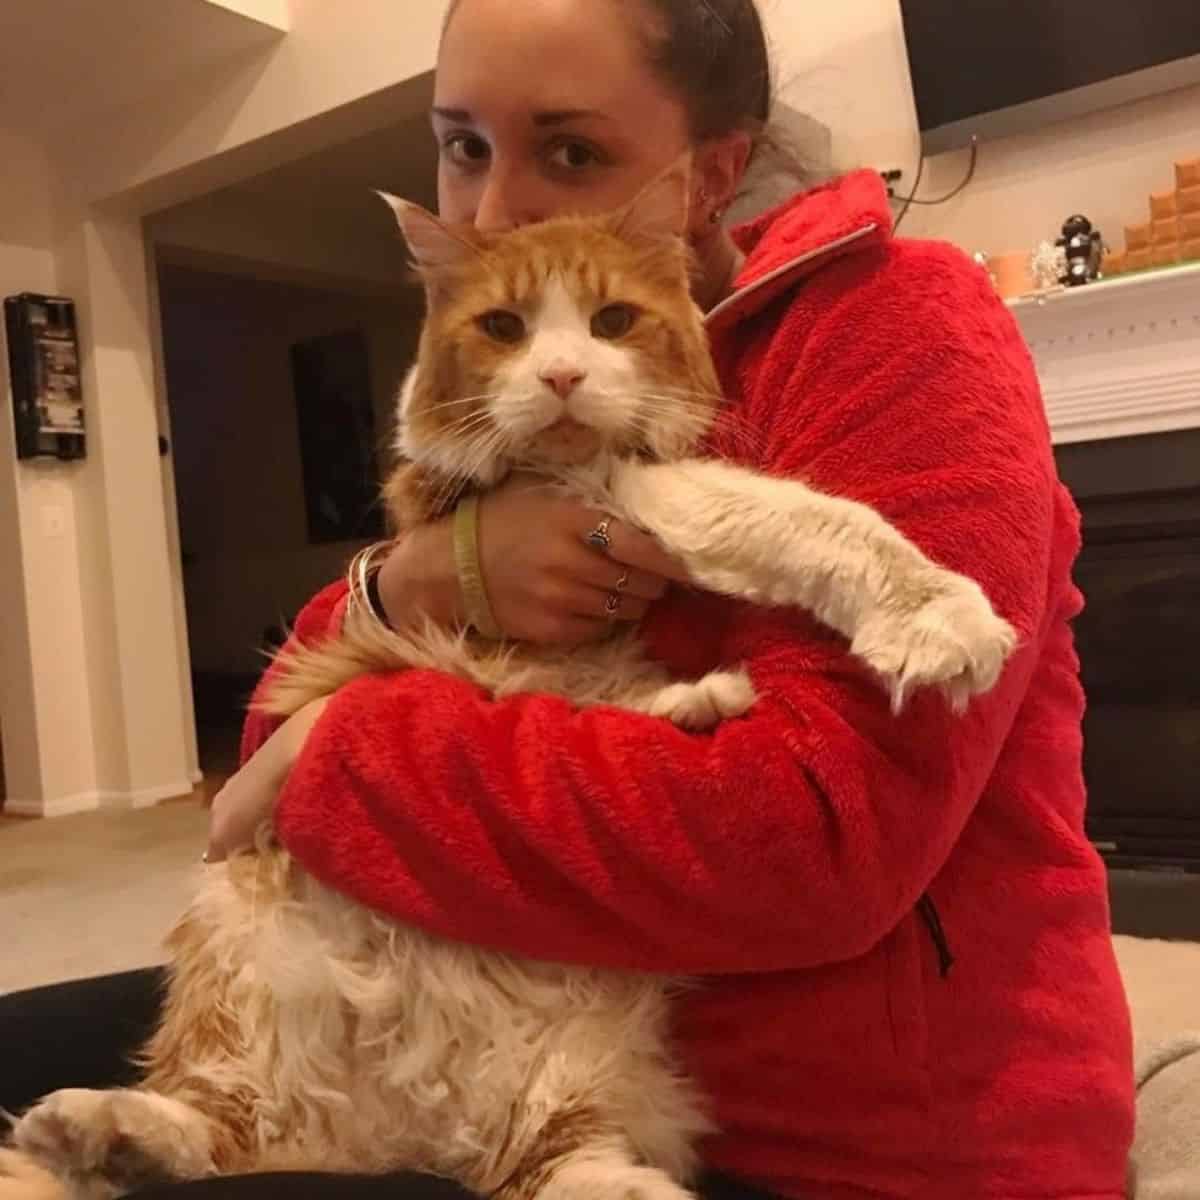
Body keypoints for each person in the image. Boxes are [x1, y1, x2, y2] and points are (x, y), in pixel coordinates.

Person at [1, 1, 1134, 1198]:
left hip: (823, 1129)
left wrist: (348, 749)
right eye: (462, 146)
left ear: (713, 172)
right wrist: (407, 583)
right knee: (23, 1040)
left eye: (572, 152)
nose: (494, 211)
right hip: (490, 992)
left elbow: (813, 847)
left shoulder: (897, 321)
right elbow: (258, 770)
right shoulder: (514, 376)